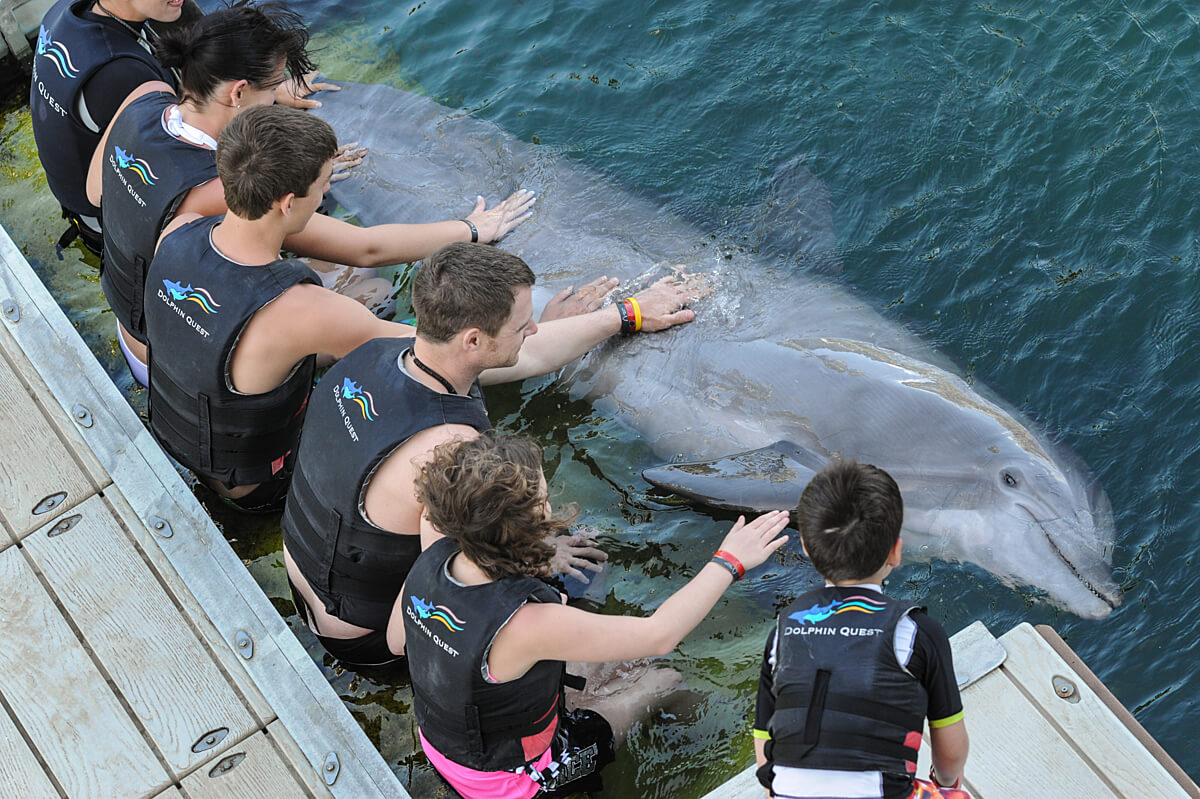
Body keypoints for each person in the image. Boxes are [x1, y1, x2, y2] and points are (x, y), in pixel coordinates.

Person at [282, 239, 705, 666]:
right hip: (362, 635)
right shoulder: (450, 454)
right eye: (522, 325)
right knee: (585, 572)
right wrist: (540, 557)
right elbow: (441, 602)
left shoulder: (377, 350)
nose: (535, 329)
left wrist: (625, 315)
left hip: (309, 576)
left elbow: (534, 354)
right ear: (473, 340)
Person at [86, 2, 532, 386]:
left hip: (137, 322)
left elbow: (94, 189)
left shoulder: (145, 97)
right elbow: (367, 248)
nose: (278, 97)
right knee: (375, 293)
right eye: (273, 89)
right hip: (169, 360)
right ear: (238, 91)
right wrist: (474, 229)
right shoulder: (219, 192)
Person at [398, 433, 790, 798]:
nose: (550, 508)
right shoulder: (528, 624)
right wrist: (730, 560)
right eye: (544, 500)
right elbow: (662, 633)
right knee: (663, 678)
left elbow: (404, 641)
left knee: (628, 662)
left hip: (447, 742)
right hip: (509, 783)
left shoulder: (434, 557)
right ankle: (713, 744)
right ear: (523, 521)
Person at [753, 460, 971, 799]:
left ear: (807, 549)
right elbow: (951, 752)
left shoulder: (784, 631)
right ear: (896, 552)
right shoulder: (915, 633)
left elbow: (765, 742)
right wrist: (946, 784)